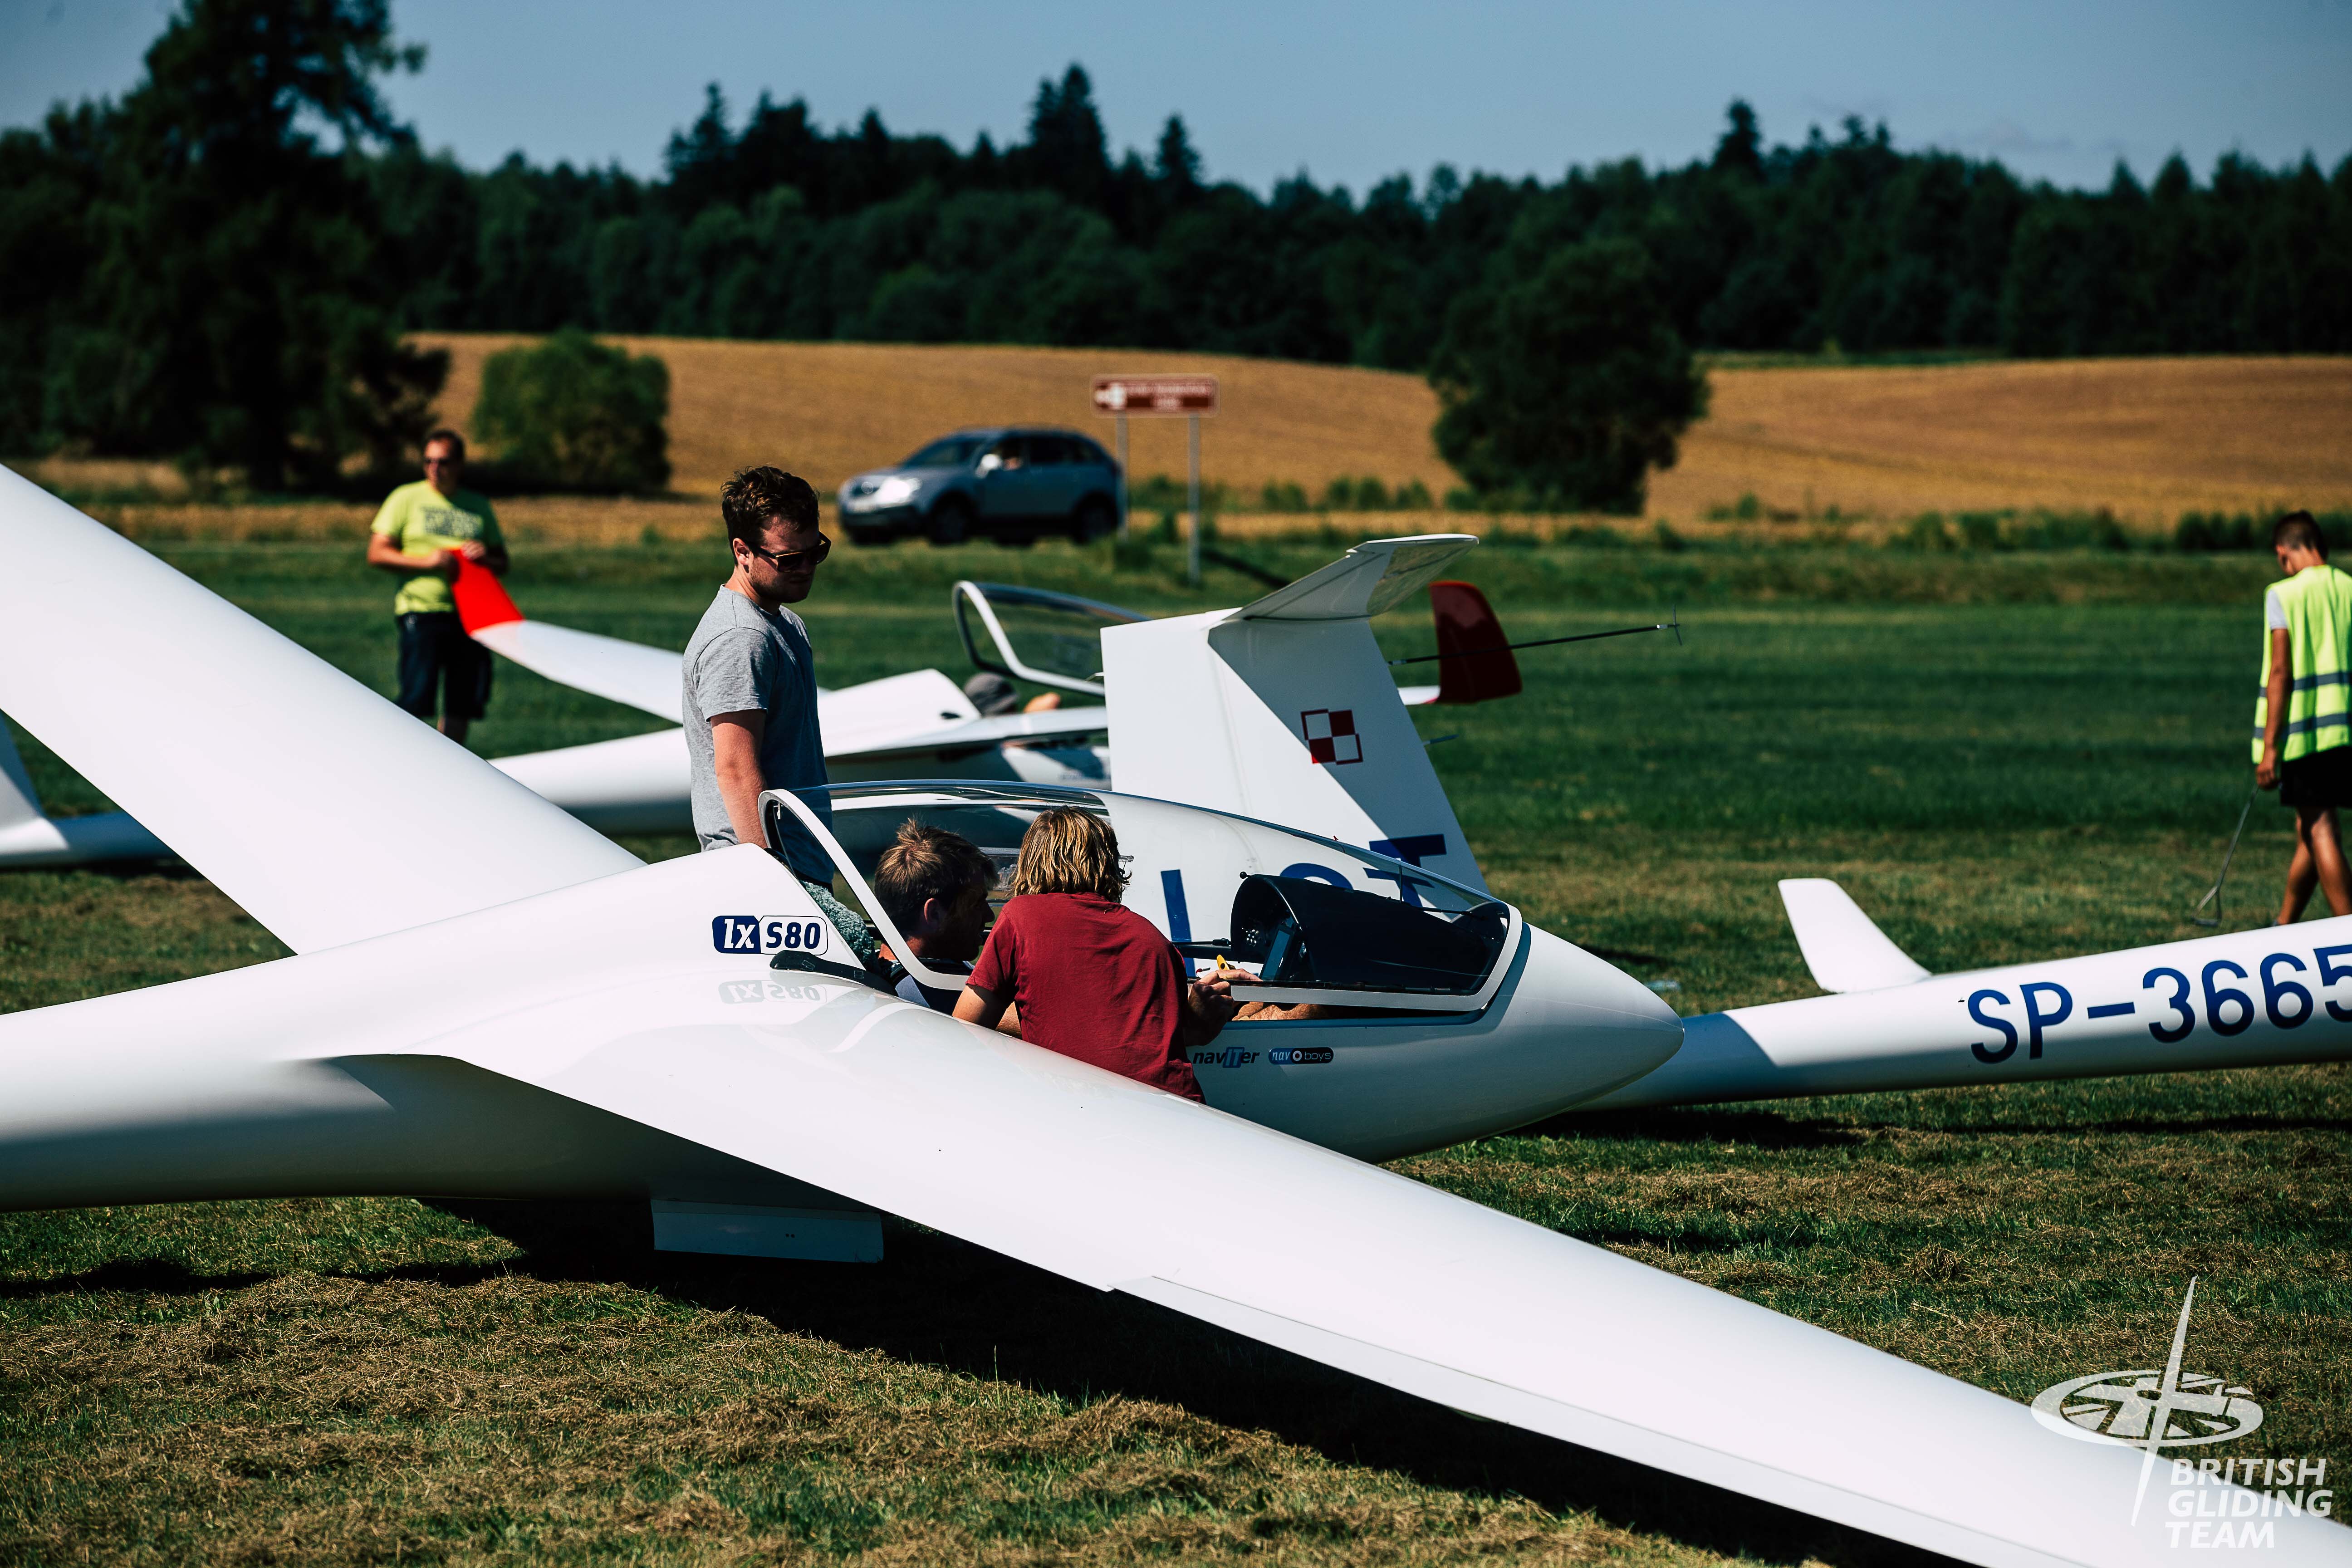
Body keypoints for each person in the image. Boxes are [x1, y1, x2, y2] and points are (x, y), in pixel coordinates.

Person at [683, 465, 877, 963]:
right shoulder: (741, 638)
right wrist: (777, 884)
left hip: (797, 869)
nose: (806, 568)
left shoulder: (785, 623)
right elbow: (735, 768)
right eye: (789, 559)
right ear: (742, 551)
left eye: (816, 552)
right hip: (764, 882)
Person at [954, 808, 1235, 1098]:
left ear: (1032, 862)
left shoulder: (1020, 916)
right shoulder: (1155, 941)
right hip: (1181, 1108)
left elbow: (964, 1030)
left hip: (1086, 1110)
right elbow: (1160, 1040)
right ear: (1108, 863)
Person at [368, 429, 508, 742]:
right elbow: (377, 553)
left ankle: (453, 761)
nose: (434, 469)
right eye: (428, 461)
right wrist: (427, 562)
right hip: (422, 610)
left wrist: (485, 557)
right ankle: (408, 760)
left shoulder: (477, 505)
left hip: (471, 615)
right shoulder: (406, 498)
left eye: (443, 462)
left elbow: (503, 563)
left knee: (463, 701)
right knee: (416, 698)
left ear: (459, 464)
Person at [2255, 510, 2352, 924]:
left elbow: (2281, 672)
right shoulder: (2349, 588)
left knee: (2321, 829)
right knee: (2309, 830)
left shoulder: (2283, 594)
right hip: (2347, 733)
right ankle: (2284, 925)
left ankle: (2347, 929)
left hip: (2308, 735)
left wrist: (2270, 747)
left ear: (2284, 554)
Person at [871, 819, 999, 1011]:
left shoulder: (875, 971)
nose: (989, 916)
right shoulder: (932, 997)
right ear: (934, 914)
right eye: (976, 904)